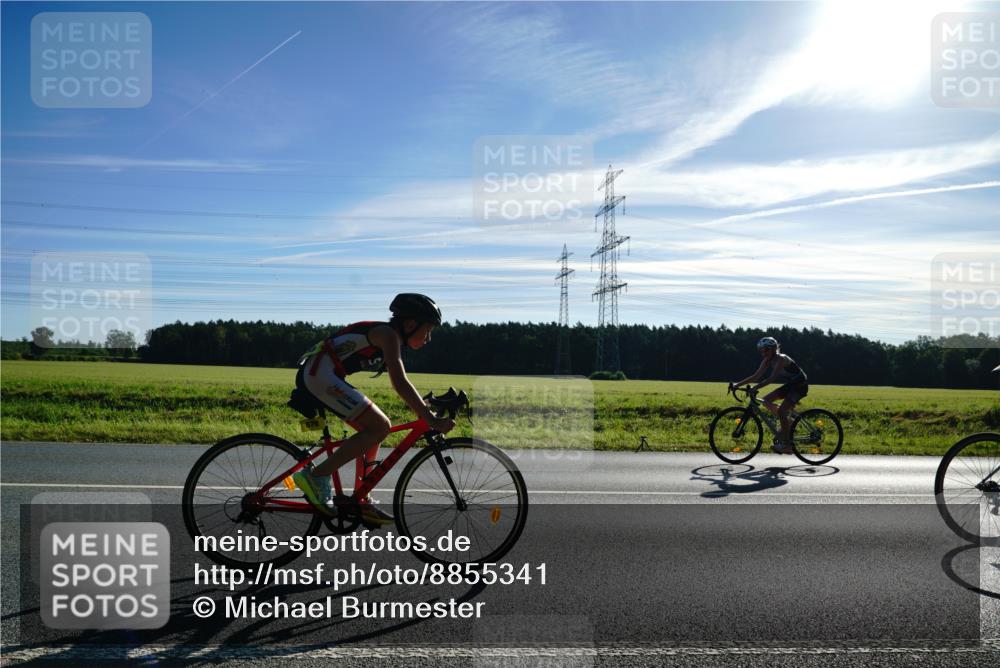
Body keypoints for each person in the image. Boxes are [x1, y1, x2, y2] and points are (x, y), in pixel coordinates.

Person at [292, 293, 455, 525]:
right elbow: (399, 382)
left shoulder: (389, 336)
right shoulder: (388, 335)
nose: (428, 338)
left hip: (324, 374)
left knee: (377, 428)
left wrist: (425, 406)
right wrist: (429, 419)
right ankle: (316, 476)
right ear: (410, 324)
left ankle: (362, 499)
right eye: (427, 330)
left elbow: (403, 386)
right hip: (320, 375)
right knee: (380, 426)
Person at [730, 336, 809, 454]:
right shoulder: (767, 360)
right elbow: (755, 376)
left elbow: (772, 378)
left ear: (774, 349)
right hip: (790, 385)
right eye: (761, 350)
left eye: (766, 349)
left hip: (800, 385)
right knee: (765, 400)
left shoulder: (781, 358)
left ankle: (787, 445)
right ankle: (788, 421)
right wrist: (737, 385)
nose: (763, 352)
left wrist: (755, 388)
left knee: (782, 411)